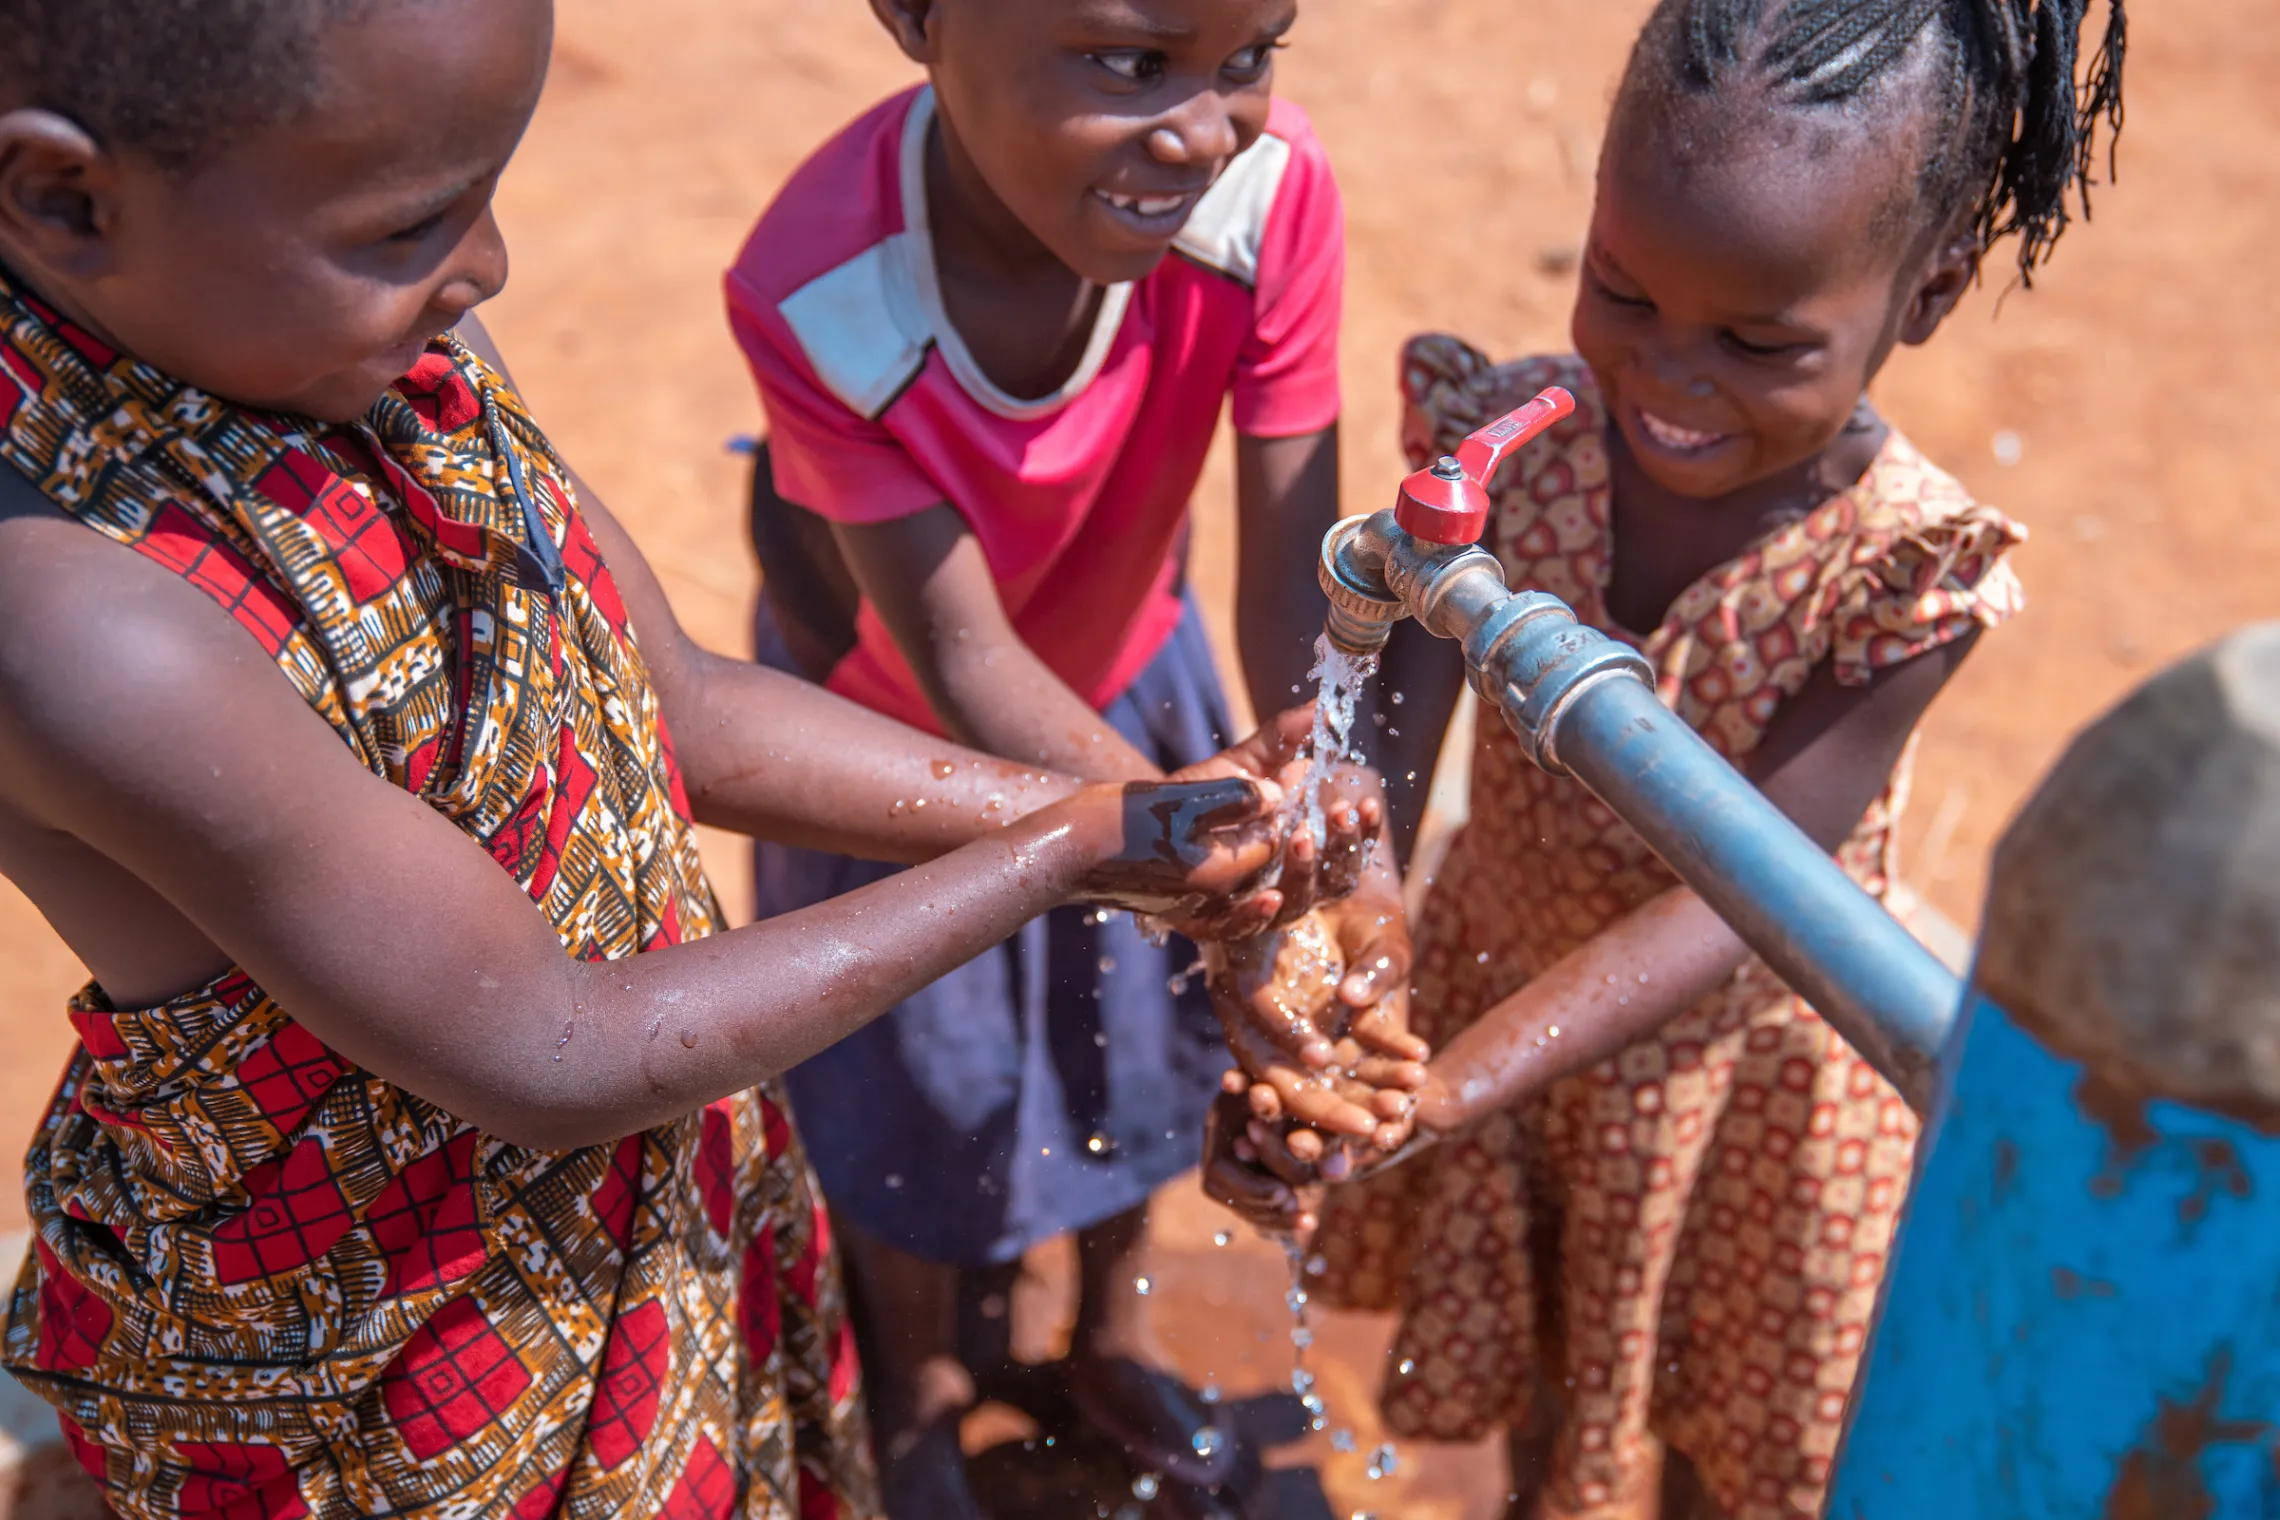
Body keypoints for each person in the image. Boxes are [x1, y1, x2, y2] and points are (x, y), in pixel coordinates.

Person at [0, 3, 1372, 1517]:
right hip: (396, 1362)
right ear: (63, 200)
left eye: (480, 195)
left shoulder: (371, 334)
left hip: (650, 1183)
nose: (486, 269)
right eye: (412, 221)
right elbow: (549, 1047)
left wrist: (1126, 822)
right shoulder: (79, 620)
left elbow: (682, 704)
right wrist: (1059, 854)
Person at [1210, 1, 2125, 1516]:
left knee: (1725, 1440)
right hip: (1500, 987)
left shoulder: (1902, 571)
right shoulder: (1509, 446)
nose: (1666, 381)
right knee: (1556, 1394)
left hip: (1739, 1085)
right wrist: (1353, 959)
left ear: (1932, 289)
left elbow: (1743, 896)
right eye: (1620, 290)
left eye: (1758, 342)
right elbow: (1386, 746)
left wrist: (1446, 1090)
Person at [721, 0, 1430, 1511]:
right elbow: (962, 661)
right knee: (916, 1086)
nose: (1201, 126)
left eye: (1250, 58)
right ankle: (912, 1384)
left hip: (1131, 675)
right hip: (898, 746)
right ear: (916, 17)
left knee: (1140, 1045)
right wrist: (1205, 843)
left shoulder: (1264, 197)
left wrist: (1308, 790)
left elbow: (1290, 561)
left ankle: (1108, 1321)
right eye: (1130, 64)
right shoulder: (826, 289)